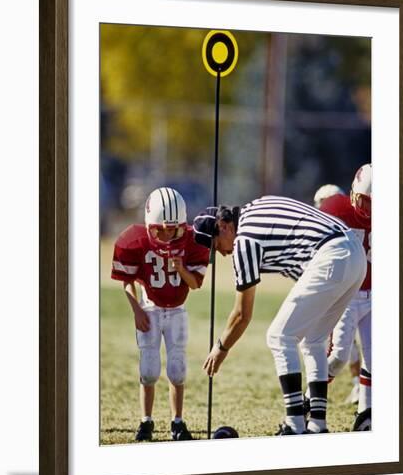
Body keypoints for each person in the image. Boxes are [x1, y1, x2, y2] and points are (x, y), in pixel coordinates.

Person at [196, 195, 367, 435]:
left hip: (330, 256)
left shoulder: (243, 241)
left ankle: (295, 424)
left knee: (279, 337)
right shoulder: (256, 205)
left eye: (216, 246)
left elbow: (241, 315)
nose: (222, 254)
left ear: (223, 226)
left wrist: (221, 348)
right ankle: (317, 424)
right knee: (314, 339)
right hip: (356, 254)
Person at [111, 187, 210, 441]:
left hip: (177, 309)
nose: (166, 234)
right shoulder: (135, 240)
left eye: (172, 229)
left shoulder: (192, 240)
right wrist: (136, 310)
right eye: (160, 228)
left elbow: (196, 283)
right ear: (149, 224)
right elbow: (127, 281)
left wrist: (181, 269)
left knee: (177, 370)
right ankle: (146, 421)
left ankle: (177, 422)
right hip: (151, 309)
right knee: (149, 370)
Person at [318, 165, 372, 430]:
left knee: (375, 358)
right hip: (348, 294)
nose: (368, 209)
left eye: (373, 202)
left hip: (375, 295)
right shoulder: (336, 209)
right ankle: (311, 397)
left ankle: (366, 413)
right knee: (338, 356)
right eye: (364, 200)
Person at [313, 182, 361, 406]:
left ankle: (314, 396)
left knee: (342, 347)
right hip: (346, 290)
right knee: (345, 346)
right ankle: (357, 385)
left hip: (350, 292)